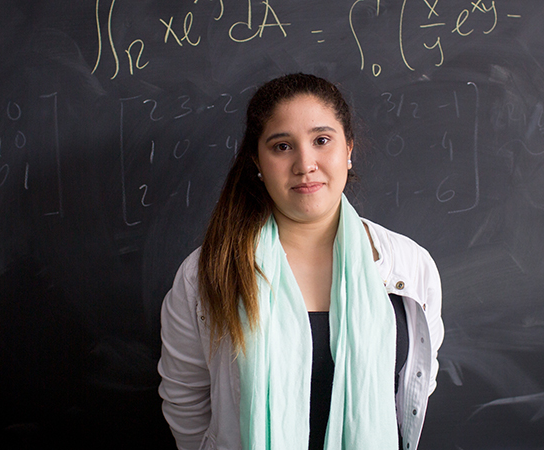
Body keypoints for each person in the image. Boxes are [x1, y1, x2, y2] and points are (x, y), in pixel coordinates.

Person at [158, 73, 444, 450]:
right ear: (257, 161)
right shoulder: (205, 274)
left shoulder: (410, 265)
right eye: (281, 146)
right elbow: (185, 403)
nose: (305, 163)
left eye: (322, 141)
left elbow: (415, 387)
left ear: (348, 149)